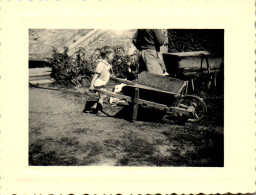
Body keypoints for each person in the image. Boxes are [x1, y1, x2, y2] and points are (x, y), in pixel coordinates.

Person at [88, 46, 115, 114]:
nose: (113, 57)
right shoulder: (101, 64)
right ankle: (99, 111)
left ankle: (95, 106)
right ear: (107, 55)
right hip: (99, 83)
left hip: (103, 83)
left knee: (104, 96)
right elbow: (95, 75)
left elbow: (108, 72)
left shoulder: (107, 64)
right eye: (112, 55)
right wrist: (91, 85)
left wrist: (111, 74)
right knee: (102, 96)